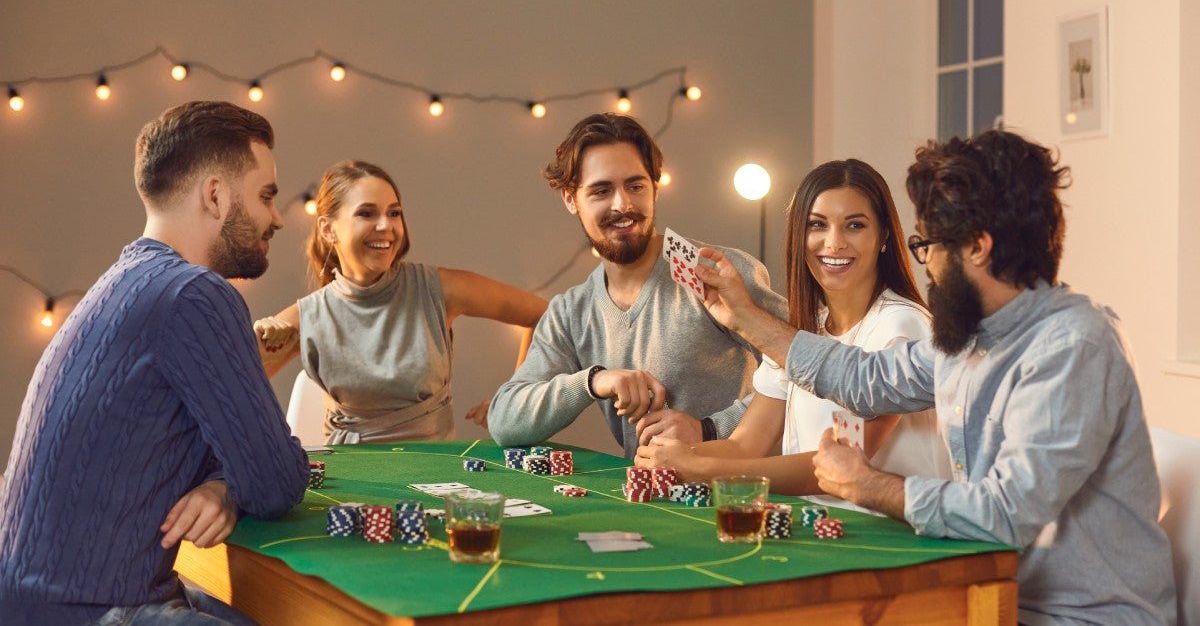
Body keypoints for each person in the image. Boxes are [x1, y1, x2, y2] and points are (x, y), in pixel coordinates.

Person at [693, 130, 1176, 623]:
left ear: (978, 248)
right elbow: (867, 379)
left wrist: (866, 485)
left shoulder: (1073, 346)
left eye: (927, 245)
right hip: (988, 594)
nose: (925, 264)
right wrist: (745, 317)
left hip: (1074, 616)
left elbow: (1004, 514)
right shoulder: (971, 334)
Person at [0, 101, 309, 624]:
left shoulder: (124, 282)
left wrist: (221, 484)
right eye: (266, 196)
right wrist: (240, 481)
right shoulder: (194, 294)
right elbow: (275, 481)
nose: (277, 218)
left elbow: (219, 451)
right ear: (215, 194)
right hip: (92, 610)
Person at [636, 160, 950, 505]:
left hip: (893, 539)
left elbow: (839, 466)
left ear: (884, 236)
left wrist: (698, 469)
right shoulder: (801, 332)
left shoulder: (901, 324)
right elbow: (744, 445)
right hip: (819, 533)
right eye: (817, 225)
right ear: (799, 236)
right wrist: (677, 455)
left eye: (855, 226)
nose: (834, 243)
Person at [488, 113, 787, 459]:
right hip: (648, 500)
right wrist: (593, 381)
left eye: (635, 185)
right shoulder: (571, 312)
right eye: (602, 190)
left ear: (655, 188)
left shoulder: (715, 272)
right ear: (571, 199)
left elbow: (805, 370)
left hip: (740, 498)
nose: (623, 205)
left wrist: (710, 429)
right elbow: (505, 420)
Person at [254, 160, 547, 443]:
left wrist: (515, 398)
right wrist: (260, 354)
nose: (386, 226)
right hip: (350, 479)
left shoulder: (438, 289)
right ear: (328, 229)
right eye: (367, 214)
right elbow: (229, 389)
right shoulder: (308, 316)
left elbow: (544, 315)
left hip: (433, 478)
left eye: (394, 213)